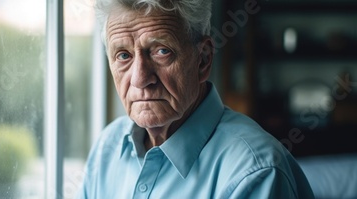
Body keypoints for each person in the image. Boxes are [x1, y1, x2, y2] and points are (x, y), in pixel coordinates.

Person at [78, 0, 314, 198]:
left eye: (161, 51)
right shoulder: (107, 148)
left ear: (203, 60)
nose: (140, 78)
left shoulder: (255, 172)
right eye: (123, 55)